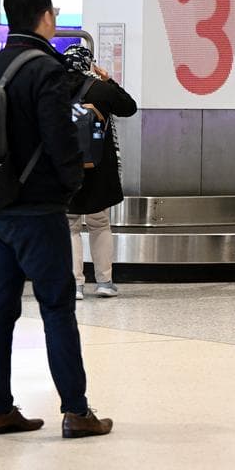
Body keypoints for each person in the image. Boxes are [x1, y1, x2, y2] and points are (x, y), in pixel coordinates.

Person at [0, 0, 111, 439]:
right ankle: (76, 411)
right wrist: (71, 183)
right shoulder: (45, 70)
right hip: (36, 211)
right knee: (56, 307)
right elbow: (60, 141)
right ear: (46, 16)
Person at [64, 43, 136, 300]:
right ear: (89, 64)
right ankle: (104, 282)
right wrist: (109, 79)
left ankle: (74, 284)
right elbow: (129, 107)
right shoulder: (101, 90)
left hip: (66, 168)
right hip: (99, 168)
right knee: (99, 223)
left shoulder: (52, 89)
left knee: (70, 225)